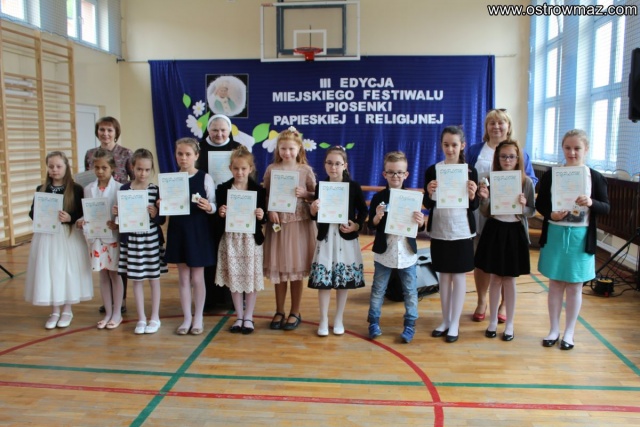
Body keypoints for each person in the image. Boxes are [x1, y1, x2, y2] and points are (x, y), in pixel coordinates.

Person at [536, 129, 609, 350]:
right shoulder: (552, 174)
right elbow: (541, 204)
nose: (572, 152)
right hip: (556, 234)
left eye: (577, 148)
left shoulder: (594, 177)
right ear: (562, 148)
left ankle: (569, 333)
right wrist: (551, 214)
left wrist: (591, 202)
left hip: (581, 237)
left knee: (575, 286)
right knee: (556, 284)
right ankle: (553, 330)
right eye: (568, 148)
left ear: (586, 149)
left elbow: (606, 207)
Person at [466, 109, 537, 324]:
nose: (496, 126)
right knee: (481, 259)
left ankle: (504, 304)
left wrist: (518, 197)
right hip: (483, 211)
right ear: (486, 127)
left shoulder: (520, 152)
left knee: (506, 263)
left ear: (508, 126)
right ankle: (481, 301)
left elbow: (530, 180)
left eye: (501, 122)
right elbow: (466, 175)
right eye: (492, 123)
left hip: (510, 215)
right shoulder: (475, 150)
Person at [474, 140, 536, 341]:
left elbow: (531, 211)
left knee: (509, 279)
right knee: (494, 278)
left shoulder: (526, 182)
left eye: (511, 156)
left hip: (515, 231)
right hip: (495, 230)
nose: (507, 160)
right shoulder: (490, 179)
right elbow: (485, 211)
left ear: (518, 159)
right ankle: (492, 321)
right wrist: (484, 198)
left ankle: (509, 324)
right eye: (503, 156)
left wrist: (524, 206)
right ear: (497, 158)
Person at [25, 151, 93, 329]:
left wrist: (70, 217)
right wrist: (40, 215)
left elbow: (81, 212)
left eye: (58, 166)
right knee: (50, 271)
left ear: (66, 167)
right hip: (47, 236)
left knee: (66, 271)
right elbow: (32, 212)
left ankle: (67, 310)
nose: (54, 170)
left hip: (67, 236)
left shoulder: (76, 189)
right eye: (51, 166)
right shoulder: (41, 189)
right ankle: (55, 310)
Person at [424, 126, 479, 343]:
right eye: (446, 145)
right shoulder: (433, 170)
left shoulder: (470, 171)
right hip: (440, 229)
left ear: (462, 146)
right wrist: (429, 192)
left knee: (458, 276)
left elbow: (474, 205)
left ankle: (455, 323)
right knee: (444, 277)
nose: (450, 149)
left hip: (461, 230)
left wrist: (473, 195)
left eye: (454, 145)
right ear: (441, 145)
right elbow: (427, 203)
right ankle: (445, 320)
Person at [308, 146, 368, 337]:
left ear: (345, 165)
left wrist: (356, 225)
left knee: (343, 281)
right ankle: (323, 319)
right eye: (329, 163)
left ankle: (339, 318)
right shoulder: (321, 186)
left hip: (345, 238)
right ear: (324, 164)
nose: (333, 167)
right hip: (326, 237)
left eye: (337, 163)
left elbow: (363, 211)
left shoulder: (353, 187)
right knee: (324, 282)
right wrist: (313, 210)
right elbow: (315, 216)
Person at [367, 151, 425, 344]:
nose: (395, 176)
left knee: (410, 291)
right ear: (384, 174)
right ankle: (373, 322)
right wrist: (377, 217)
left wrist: (421, 221)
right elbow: (371, 225)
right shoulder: (378, 198)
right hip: (384, 252)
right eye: (391, 172)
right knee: (378, 289)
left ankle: (410, 324)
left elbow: (420, 226)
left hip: (407, 253)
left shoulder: (412, 198)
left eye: (399, 172)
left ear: (406, 174)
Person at [263, 126, 317, 331]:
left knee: (295, 271)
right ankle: (279, 310)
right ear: (278, 149)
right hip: (278, 225)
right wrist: (270, 209)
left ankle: (295, 311)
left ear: (299, 149)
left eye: (291, 149)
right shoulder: (272, 169)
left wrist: (306, 194)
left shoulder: (305, 170)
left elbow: (316, 194)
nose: (287, 152)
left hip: (299, 226)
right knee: (279, 270)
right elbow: (265, 194)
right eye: (283, 148)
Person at [162, 138, 217, 335]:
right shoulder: (170, 180)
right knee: (183, 277)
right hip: (178, 231)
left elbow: (214, 204)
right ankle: (186, 318)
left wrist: (209, 207)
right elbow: (166, 208)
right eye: (180, 154)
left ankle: (198, 317)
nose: (183, 158)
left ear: (196, 156)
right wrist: (162, 204)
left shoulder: (204, 178)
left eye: (187, 154)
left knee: (198, 276)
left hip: (198, 231)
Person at [214, 146, 267, 334]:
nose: (240, 172)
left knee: (250, 278)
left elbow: (264, 217)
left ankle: (249, 316)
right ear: (230, 168)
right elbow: (217, 217)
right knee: (235, 278)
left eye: (244, 168)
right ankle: (238, 315)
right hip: (230, 239)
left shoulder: (259, 190)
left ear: (250, 168)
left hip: (250, 240)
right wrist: (221, 213)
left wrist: (261, 215)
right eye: (236, 168)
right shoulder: (223, 189)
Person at [115, 149, 167, 335]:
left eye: (146, 169)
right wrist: (117, 213)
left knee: (154, 279)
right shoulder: (124, 190)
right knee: (136, 280)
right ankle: (141, 318)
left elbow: (162, 220)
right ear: (132, 167)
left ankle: (155, 317)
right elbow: (121, 220)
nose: (142, 173)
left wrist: (156, 214)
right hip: (132, 241)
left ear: (151, 169)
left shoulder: (155, 190)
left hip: (151, 240)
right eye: (139, 169)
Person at [85, 116, 133, 314]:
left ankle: (121, 300)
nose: (105, 133)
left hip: (118, 206)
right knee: (103, 267)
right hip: (98, 210)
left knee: (118, 263)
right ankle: (108, 301)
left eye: (109, 130)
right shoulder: (90, 153)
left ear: (116, 132)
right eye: (102, 129)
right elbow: (87, 180)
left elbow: (132, 181)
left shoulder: (126, 153)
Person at [197, 114, 242, 312]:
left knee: (231, 254)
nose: (219, 134)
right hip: (205, 211)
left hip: (230, 208)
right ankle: (208, 300)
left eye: (223, 130)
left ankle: (233, 300)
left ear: (229, 130)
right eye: (215, 130)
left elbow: (247, 175)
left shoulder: (238, 149)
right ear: (208, 130)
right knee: (209, 254)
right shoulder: (198, 149)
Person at [77, 149, 123, 329]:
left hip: (112, 237)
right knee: (103, 275)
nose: (100, 171)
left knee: (115, 274)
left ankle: (117, 312)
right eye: (97, 167)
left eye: (104, 167)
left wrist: (117, 223)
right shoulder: (88, 189)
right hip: (96, 238)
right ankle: (108, 312)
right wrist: (82, 221)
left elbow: (123, 214)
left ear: (112, 168)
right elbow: (87, 212)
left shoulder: (119, 188)